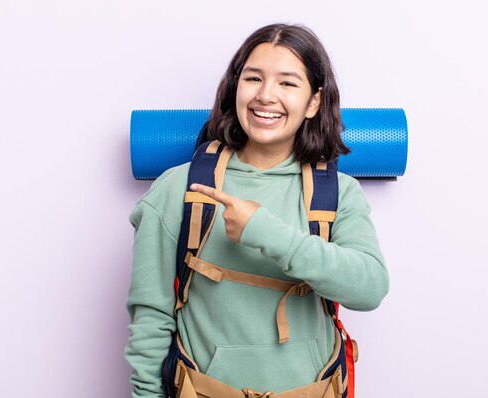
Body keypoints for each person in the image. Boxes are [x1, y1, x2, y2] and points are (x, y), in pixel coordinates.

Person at [125, 23, 389, 398]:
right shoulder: (177, 189)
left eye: (287, 83)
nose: (266, 96)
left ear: (314, 101)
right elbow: (150, 321)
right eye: (253, 78)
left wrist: (266, 233)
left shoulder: (337, 193)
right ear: (235, 88)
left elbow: (370, 289)